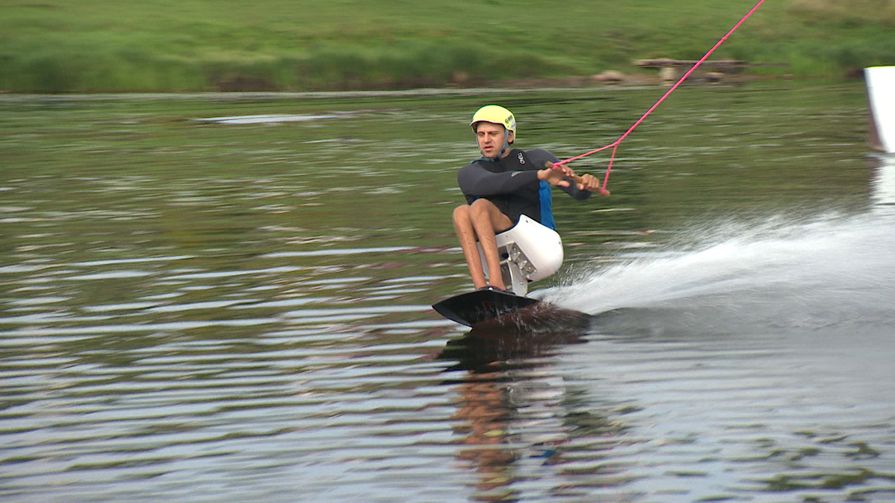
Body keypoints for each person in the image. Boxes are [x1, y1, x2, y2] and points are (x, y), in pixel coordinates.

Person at [452, 105, 605, 292]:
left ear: (509, 136)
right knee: (461, 212)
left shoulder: (538, 159)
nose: (486, 140)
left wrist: (585, 187)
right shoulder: (470, 172)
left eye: (493, 133)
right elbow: (488, 184)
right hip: (503, 252)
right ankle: (482, 291)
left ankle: (497, 286)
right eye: (481, 134)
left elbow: (577, 192)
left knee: (479, 207)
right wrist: (539, 175)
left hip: (542, 248)